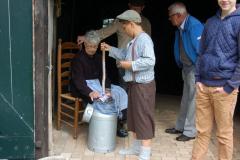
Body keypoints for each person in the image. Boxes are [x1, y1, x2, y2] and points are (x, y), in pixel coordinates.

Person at [77, 0, 151, 138]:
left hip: (139, 71)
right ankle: (121, 124)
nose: (123, 28)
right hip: (124, 66)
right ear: (129, 5)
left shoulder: (145, 30)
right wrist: (88, 38)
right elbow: (105, 33)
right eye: (134, 5)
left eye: (139, 6)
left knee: (136, 99)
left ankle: (135, 127)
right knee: (122, 92)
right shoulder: (121, 26)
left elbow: (149, 55)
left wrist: (135, 64)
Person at [101, 10, 156, 160]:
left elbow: (150, 61)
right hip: (134, 85)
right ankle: (136, 148)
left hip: (143, 86)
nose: (124, 30)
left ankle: (145, 153)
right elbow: (124, 54)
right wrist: (110, 49)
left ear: (131, 24)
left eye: (124, 27)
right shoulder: (134, 40)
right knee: (134, 117)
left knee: (143, 118)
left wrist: (129, 65)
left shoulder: (144, 40)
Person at [192, 0, 240, 159]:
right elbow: (201, 52)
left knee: (224, 135)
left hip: (225, 89)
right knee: (201, 132)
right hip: (203, 87)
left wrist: (230, 86)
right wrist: (198, 78)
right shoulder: (210, 22)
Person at [70, 30, 128, 133]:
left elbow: (104, 76)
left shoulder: (98, 57)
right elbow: (77, 80)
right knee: (104, 100)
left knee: (120, 92)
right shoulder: (78, 59)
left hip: (97, 83)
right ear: (85, 44)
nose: (92, 49)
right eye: (90, 46)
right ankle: (111, 127)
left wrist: (107, 88)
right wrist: (89, 92)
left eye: (95, 46)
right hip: (83, 87)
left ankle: (120, 120)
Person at [165, 2, 204, 141]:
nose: (169, 19)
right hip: (186, 67)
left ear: (179, 15)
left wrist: (199, 73)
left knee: (193, 100)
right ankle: (180, 127)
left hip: (195, 68)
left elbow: (202, 52)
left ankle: (190, 131)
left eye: (171, 16)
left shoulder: (194, 26)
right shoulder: (181, 27)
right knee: (186, 98)